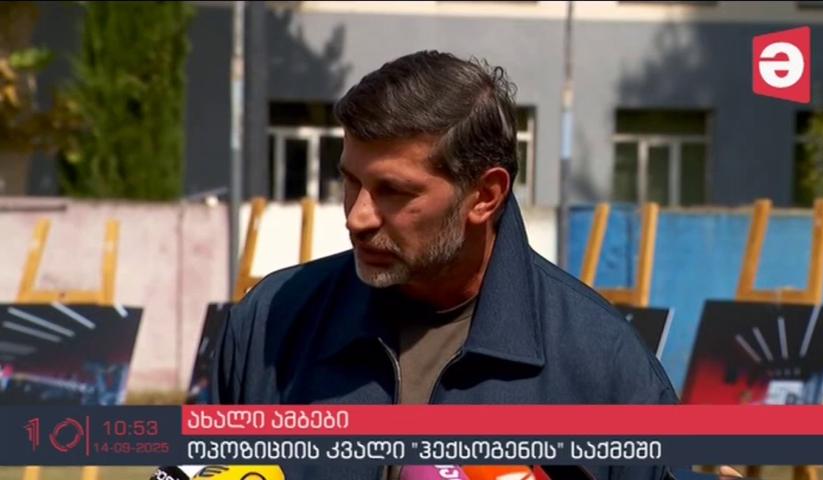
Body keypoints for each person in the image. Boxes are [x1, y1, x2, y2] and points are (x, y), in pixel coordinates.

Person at [212, 50, 678, 480]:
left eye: (393, 191)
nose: (357, 217)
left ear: (485, 196)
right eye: (351, 182)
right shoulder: (270, 324)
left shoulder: (603, 367)